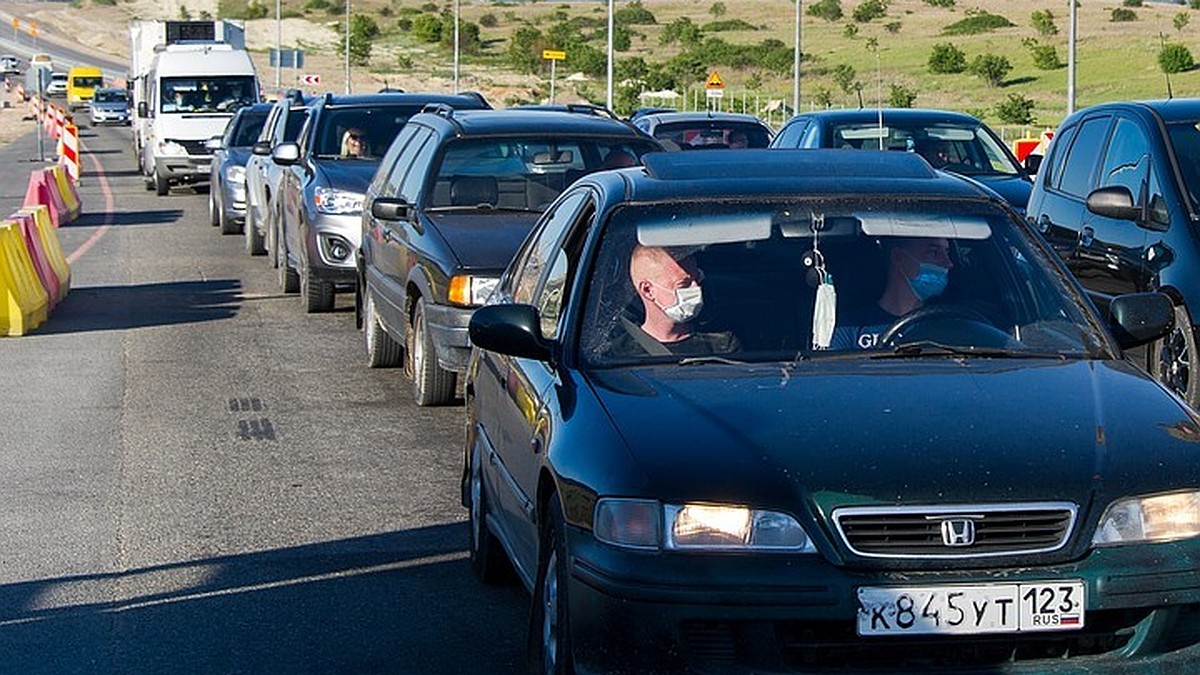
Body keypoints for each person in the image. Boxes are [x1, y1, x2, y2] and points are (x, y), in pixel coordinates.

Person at [611, 244, 739, 357]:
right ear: (648, 291)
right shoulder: (617, 355)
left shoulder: (722, 346)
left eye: (698, 279)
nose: (696, 289)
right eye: (684, 285)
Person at [831, 237, 954, 350]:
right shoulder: (850, 327)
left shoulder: (951, 326)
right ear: (898, 257)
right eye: (933, 252)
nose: (948, 263)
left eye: (947, 252)